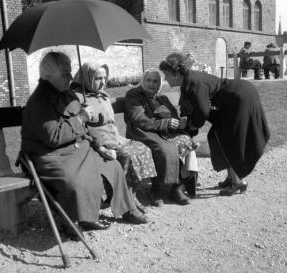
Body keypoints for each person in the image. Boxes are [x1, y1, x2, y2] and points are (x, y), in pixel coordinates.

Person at [21, 52, 148, 240]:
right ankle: (71, 221)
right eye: (65, 73)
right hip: (48, 155)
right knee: (74, 180)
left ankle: (126, 208)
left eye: (70, 72)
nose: (71, 77)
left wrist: (99, 146)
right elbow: (54, 136)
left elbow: (85, 130)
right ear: (48, 75)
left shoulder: (68, 95)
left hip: (76, 150)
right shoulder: (39, 102)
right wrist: (80, 118)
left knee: (112, 165)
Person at [159, 52, 270, 196]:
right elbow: (198, 108)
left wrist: (192, 127)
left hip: (240, 98)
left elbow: (202, 111)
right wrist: (191, 125)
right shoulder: (189, 79)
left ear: (175, 73)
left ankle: (237, 182)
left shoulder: (192, 81)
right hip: (239, 95)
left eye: (166, 74)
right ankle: (232, 178)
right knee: (217, 135)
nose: (165, 78)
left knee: (228, 138)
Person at [71, 61, 158, 215]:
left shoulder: (103, 96)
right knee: (128, 155)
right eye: (97, 78)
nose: (103, 82)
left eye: (104, 78)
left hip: (115, 137)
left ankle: (132, 194)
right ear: (87, 79)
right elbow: (81, 128)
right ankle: (124, 199)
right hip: (98, 141)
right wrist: (83, 113)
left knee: (143, 149)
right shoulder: (77, 99)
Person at [125, 68, 199, 206]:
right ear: (142, 81)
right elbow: (139, 119)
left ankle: (178, 187)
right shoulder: (134, 95)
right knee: (164, 148)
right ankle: (157, 189)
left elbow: (173, 116)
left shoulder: (162, 98)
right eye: (148, 80)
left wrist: (179, 122)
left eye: (155, 81)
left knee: (186, 141)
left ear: (159, 84)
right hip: (143, 131)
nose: (151, 84)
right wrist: (166, 123)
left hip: (162, 131)